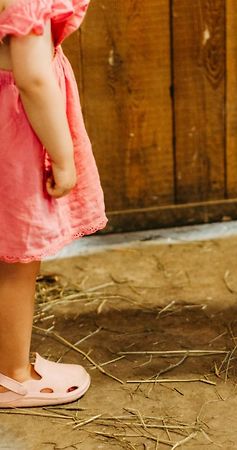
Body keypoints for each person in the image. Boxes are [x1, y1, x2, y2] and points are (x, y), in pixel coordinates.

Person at [0, 0, 107, 406]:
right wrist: (63, 157)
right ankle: (11, 375)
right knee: (16, 257)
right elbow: (33, 79)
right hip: (15, 130)